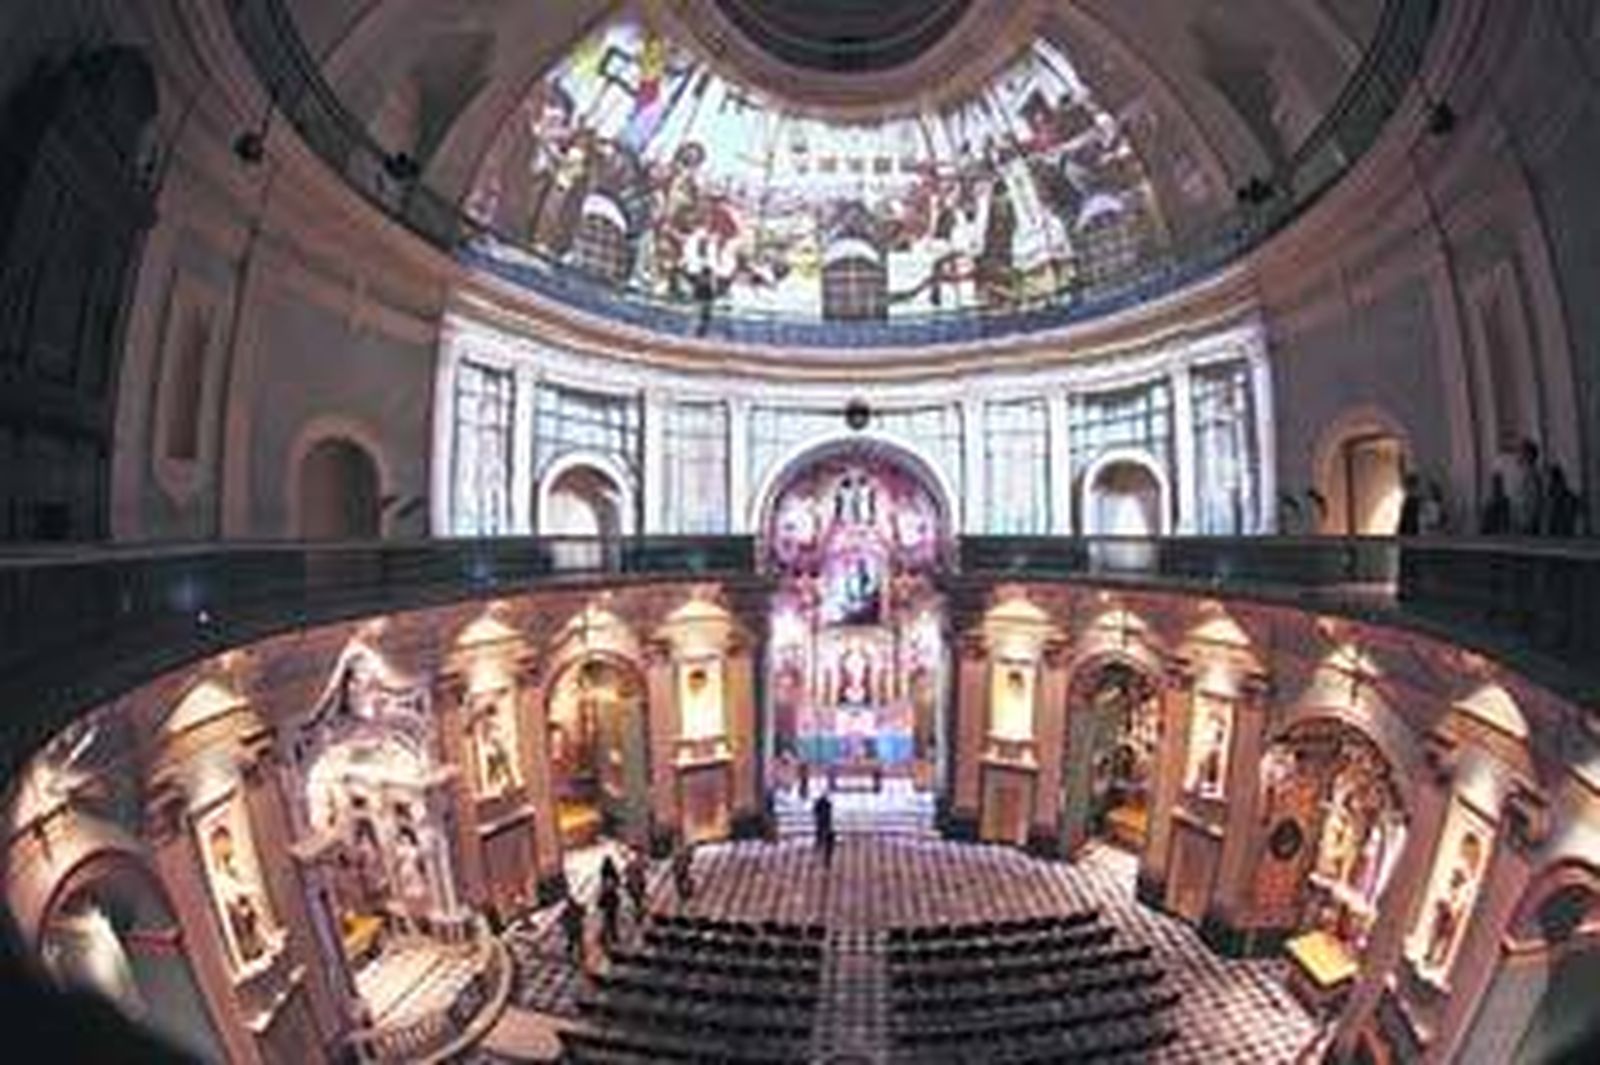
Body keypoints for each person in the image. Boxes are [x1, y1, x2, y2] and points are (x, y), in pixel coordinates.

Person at [1545, 463, 1583, 537]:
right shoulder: (1553, 486)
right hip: (1559, 505)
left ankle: (1564, 530)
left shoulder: (1559, 485)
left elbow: (1562, 492)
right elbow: (1553, 493)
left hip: (1562, 504)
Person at [597, 870, 621, 951]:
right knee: (608, 925)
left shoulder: (612, 893)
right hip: (608, 911)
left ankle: (610, 937)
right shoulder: (606, 894)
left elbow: (617, 901)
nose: (610, 887)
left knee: (611, 925)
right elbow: (600, 903)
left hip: (611, 911)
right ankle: (605, 938)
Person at [559, 893, 586, 965]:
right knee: (574, 942)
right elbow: (561, 920)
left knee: (576, 942)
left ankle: (579, 954)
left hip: (575, 928)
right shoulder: (567, 911)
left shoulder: (572, 909)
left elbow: (583, 913)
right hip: (573, 929)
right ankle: (575, 955)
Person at [624, 849, 649, 923]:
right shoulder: (634, 863)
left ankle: (638, 914)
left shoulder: (632, 863)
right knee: (638, 900)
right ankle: (639, 914)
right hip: (636, 884)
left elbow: (626, 871)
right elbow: (646, 866)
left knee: (637, 900)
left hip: (636, 884)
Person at [813, 793, 835, 865]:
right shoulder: (828, 805)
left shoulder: (822, 805)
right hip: (826, 825)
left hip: (823, 825)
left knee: (821, 837)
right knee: (827, 840)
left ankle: (819, 848)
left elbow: (815, 812)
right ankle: (826, 859)